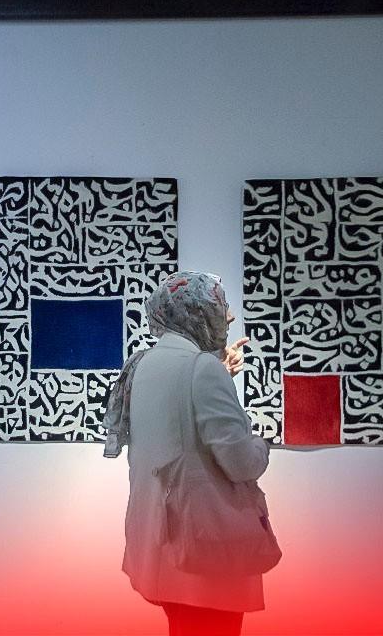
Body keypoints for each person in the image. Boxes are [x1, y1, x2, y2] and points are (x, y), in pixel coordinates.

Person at [103, 271, 269, 636]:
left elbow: (177, 428)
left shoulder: (143, 364)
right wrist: (261, 444)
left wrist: (218, 373)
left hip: (161, 541)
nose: (229, 316)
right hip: (204, 548)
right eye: (220, 305)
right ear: (194, 312)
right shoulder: (201, 369)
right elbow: (242, 463)